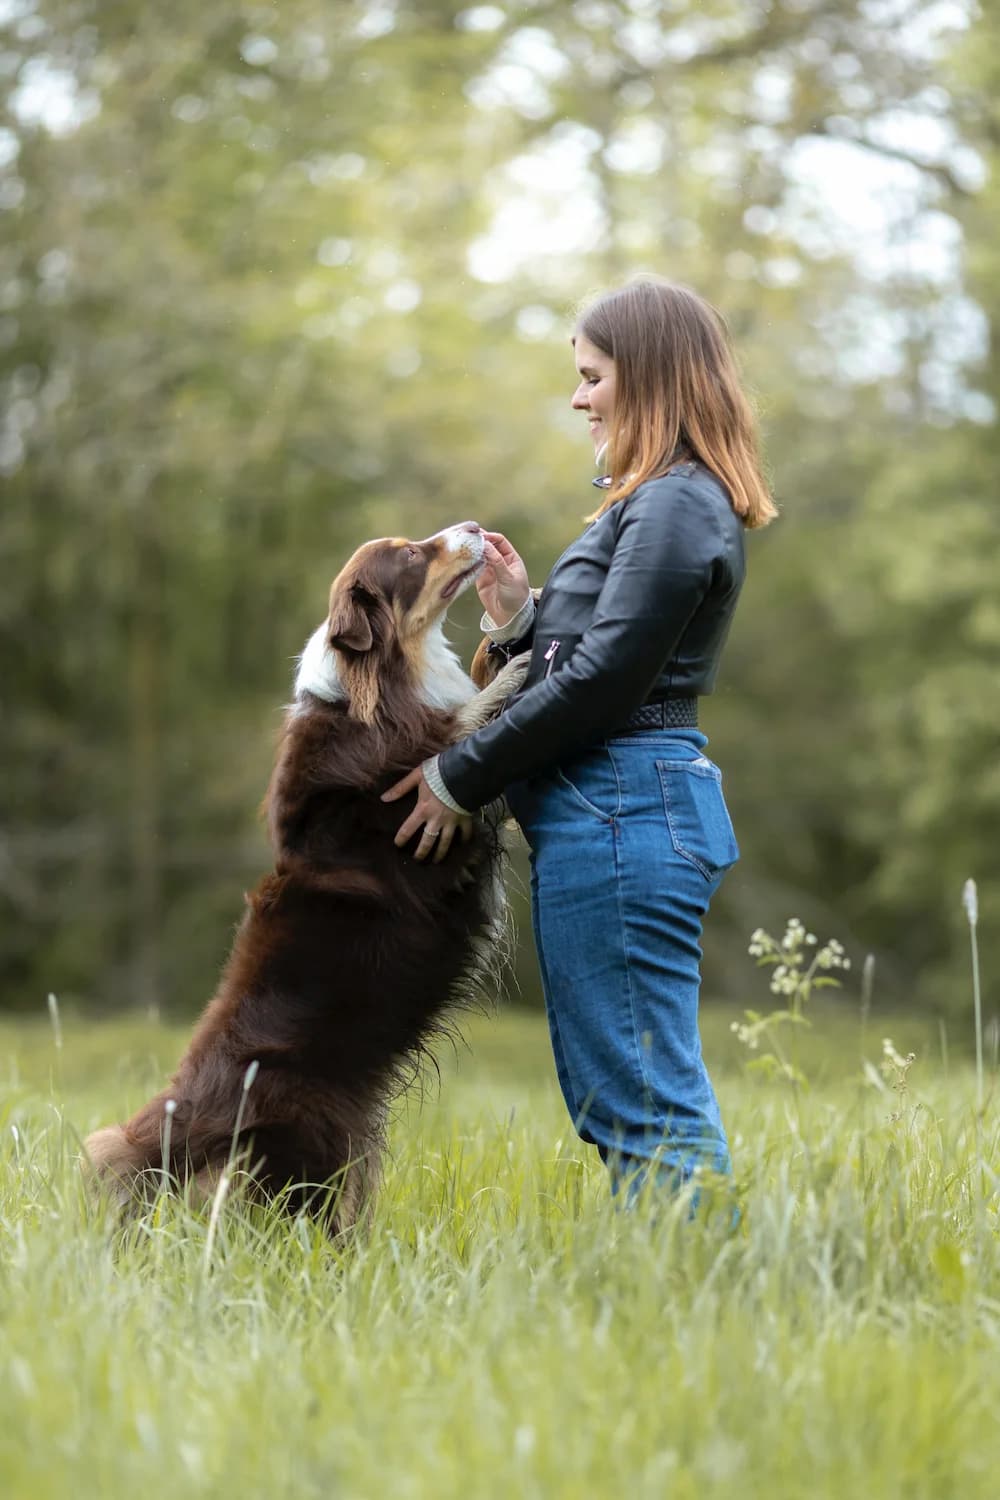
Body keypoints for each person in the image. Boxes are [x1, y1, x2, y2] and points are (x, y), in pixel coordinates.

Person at [383, 276, 776, 1198]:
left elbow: (607, 682)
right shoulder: (658, 502)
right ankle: (680, 1295)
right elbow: (598, 656)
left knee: (642, 1097)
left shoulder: (678, 503)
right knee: (620, 1091)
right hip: (612, 808)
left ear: (650, 378)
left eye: (593, 375)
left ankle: (698, 1300)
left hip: (625, 807)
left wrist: (458, 776)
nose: (578, 397)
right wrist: (521, 624)